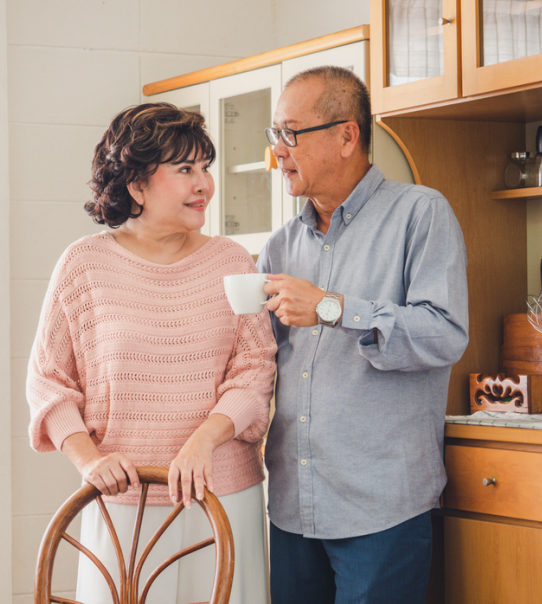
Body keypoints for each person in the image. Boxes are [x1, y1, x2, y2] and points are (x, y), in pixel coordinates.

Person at [27, 103, 277, 604]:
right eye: (185, 169)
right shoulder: (84, 265)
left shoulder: (231, 260)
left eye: (205, 167)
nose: (203, 183)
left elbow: (256, 371)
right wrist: (88, 461)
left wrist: (203, 441)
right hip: (123, 502)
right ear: (136, 183)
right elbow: (48, 382)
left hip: (223, 500)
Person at [257, 66, 469, 604]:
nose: (277, 151)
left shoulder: (421, 214)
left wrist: (332, 308)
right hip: (292, 504)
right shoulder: (280, 246)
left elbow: (445, 334)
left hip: (381, 509)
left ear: (347, 135)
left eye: (290, 133)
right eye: (273, 134)